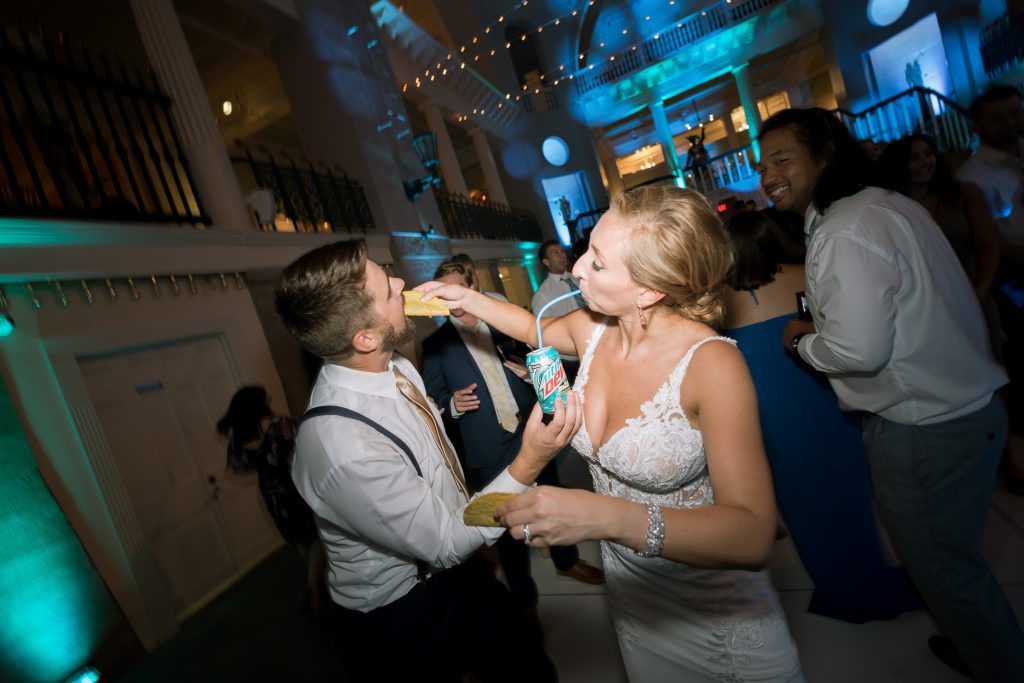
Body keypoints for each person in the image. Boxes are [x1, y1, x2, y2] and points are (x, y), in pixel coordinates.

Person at [418, 186, 805, 682]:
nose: (577, 268)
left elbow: (752, 533)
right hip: (634, 599)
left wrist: (606, 518)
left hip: (715, 611)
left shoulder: (713, 365)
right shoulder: (594, 329)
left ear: (648, 290)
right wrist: (467, 297)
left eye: (597, 263)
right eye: (587, 249)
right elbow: (532, 327)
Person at [760, 107, 1023, 682]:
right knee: (952, 564)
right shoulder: (888, 202)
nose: (766, 174)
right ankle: (979, 642)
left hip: (924, 426)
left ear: (826, 156)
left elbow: (858, 351)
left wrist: (800, 342)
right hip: (969, 410)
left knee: (945, 570)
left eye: (782, 158)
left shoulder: (844, 228)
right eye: (762, 163)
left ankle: (1000, 661)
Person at [275, 239, 582, 682]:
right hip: (401, 615)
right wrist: (530, 459)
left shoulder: (394, 364)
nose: (402, 282)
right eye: (387, 289)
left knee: (529, 666)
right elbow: (443, 541)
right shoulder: (343, 447)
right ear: (364, 337)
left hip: (458, 568)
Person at [721, 210, 921, 623]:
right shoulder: (806, 274)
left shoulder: (718, 305)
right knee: (850, 492)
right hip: (821, 398)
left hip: (769, 417)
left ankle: (839, 588)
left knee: (801, 505)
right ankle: (870, 578)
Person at [422, 261, 604, 611]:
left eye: (455, 288)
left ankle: (567, 561)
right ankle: (523, 597)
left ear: (471, 283)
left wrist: (527, 375)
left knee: (551, 493)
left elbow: (537, 361)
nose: (452, 299)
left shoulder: (503, 322)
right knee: (506, 517)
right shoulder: (436, 344)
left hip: (529, 429)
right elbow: (435, 398)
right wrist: (453, 404)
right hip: (488, 443)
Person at [957, 85, 1024, 494]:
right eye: (999, 117)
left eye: (1015, 112)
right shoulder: (973, 176)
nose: (1011, 122)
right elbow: (991, 240)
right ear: (978, 126)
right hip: (1014, 274)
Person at [531, 239, 587, 381]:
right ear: (546, 261)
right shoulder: (542, 295)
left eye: (562, 251)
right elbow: (543, 336)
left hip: (597, 344)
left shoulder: (579, 279)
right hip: (572, 360)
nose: (562, 255)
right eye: (555, 253)